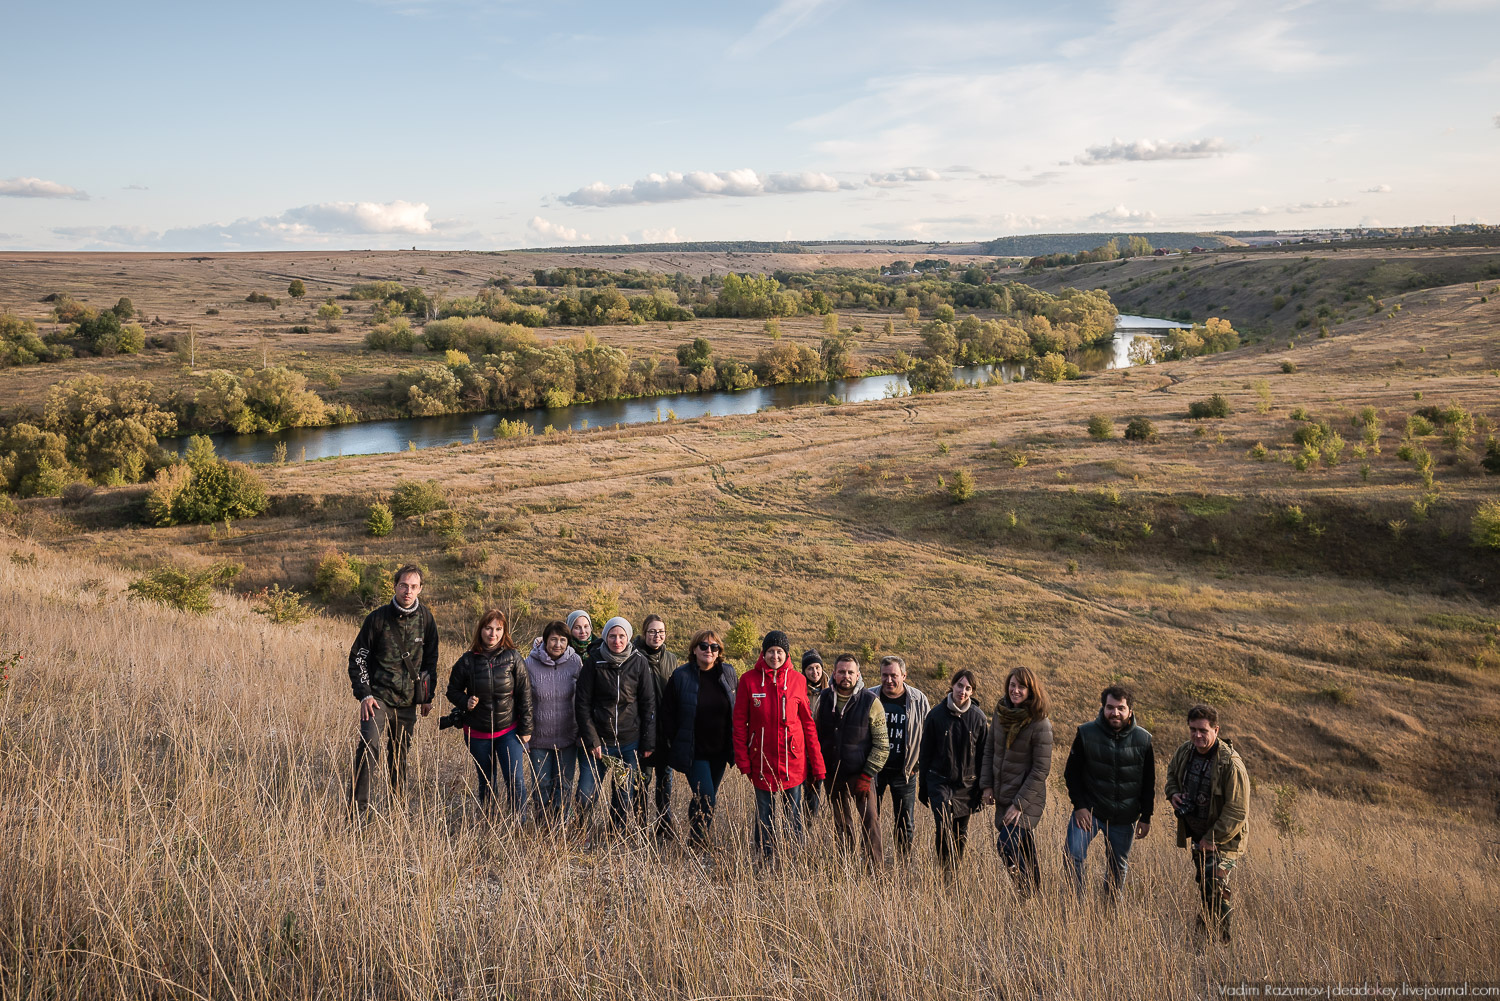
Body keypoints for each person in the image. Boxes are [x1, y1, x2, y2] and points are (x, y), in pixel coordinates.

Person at [348, 564, 438, 815]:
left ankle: (396, 809)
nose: (408, 591)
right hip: (378, 697)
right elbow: (358, 658)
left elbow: (430, 661)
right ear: (395, 586)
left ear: (420, 589)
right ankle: (358, 814)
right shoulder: (377, 619)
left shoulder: (427, 619)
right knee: (369, 747)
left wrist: (427, 697)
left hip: (408, 700)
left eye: (413, 586)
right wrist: (364, 693)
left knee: (399, 755)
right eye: (403, 585)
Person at [733, 630, 824, 864]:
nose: (775, 656)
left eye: (780, 652)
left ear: (787, 654)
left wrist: (817, 763)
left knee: (793, 815)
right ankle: (764, 858)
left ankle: (794, 859)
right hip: (761, 761)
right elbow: (739, 723)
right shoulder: (748, 680)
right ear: (763, 653)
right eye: (771, 651)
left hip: (792, 762)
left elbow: (807, 724)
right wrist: (743, 760)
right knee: (765, 815)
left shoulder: (798, 680)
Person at [1164, 704, 1250, 945]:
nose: (1197, 736)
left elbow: (1237, 810)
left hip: (1225, 838)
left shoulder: (1230, 764)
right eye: (1192, 730)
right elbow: (1171, 775)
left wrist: (1211, 839)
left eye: (1203, 730)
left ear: (1216, 730)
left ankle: (1222, 941)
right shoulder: (1185, 752)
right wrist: (1173, 794)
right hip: (1198, 834)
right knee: (1205, 883)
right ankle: (1204, 930)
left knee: (1214, 880)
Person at [1062, 685, 1155, 899]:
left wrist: (1146, 816)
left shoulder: (1143, 740)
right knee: (1072, 855)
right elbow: (1071, 773)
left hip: (1124, 816)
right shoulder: (1086, 733)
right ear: (1103, 708)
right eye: (1110, 707)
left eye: (1121, 708)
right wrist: (1080, 806)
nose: (1115, 713)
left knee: (1117, 866)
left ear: (1130, 711)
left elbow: (1148, 782)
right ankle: (1076, 904)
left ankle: (1110, 912)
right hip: (1090, 811)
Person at [444, 609, 533, 817]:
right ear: (480, 630)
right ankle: (489, 821)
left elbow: (525, 694)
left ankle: (518, 824)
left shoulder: (513, 658)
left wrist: (526, 728)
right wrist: (465, 701)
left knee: (515, 780)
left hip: (508, 731)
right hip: (478, 734)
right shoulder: (467, 661)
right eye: (488, 628)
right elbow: (452, 691)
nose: (493, 633)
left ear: (504, 632)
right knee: (487, 781)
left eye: (498, 629)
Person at [575, 617, 656, 832]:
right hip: (599, 742)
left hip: (629, 743)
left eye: (621, 636)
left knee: (623, 795)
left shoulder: (638, 662)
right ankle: (580, 831)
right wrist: (593, 740)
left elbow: (648, 703)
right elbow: (582, 704)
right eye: (612, 636)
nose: (617, 640)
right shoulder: (594, 661)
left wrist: (647, 741)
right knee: (586, 793)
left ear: (628, 636)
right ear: (605, 637)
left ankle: (615, 833)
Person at [660, 629, 738, 848]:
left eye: (714, 647)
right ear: (694, 649)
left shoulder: (728, 673)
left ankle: (694, 837)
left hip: (720, 751)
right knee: (707, 798)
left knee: (703, 797)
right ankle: (699, 842)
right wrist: (675, 739)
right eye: (703, 646)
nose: (709, 651)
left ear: (719, 651)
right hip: (694, 752)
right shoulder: (681, 675)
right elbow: (668, 712)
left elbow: (737, 708)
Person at [979, 666, 1053, 892]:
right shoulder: (1001, 712)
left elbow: (1041, 770)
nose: (1016, 690)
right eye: (1012, 685)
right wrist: (987, 785)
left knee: (1005, 846)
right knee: (1024, 846)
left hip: (1026, 799)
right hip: (1003, 794)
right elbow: (990, 749)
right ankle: (1036, 892)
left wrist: (1019, 804)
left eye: (1021, 686)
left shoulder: (1040, 723)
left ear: (1031, 691)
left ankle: (1025, 891)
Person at [814, 654, 888, 869]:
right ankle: (845, 869)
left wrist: (867, 775)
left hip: (861, 773)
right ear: (834, 674)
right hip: (833, 773)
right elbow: (816, 736)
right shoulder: (824, 698)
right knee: (841, 824)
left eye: (850, 672)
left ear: (858, 675)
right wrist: (816, 769)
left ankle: (876, 872)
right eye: (841, 672)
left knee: (870, 821)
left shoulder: (871, 702)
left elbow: (882, 745)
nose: (845, 676)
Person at [918, 670, 990, 870]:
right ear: (952, 685)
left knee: (961, 830)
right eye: (960, 686)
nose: (963, 691)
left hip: (967, 784)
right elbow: (925, 753)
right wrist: (923, 785)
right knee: (943, 826)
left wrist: (983, 787)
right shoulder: (936, 715)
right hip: (939, 781)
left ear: (972, 691)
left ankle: (955, 869)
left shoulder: (979, 718)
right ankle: (944, 870)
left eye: (968, 688)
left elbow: (985, 755)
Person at [525, 620, 590, 825]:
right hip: (538, 738)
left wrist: (581, 732)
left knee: (563, 784)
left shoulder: (575, 662)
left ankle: (560, 823)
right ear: (545, 640)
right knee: (542, 783)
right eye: (553, 639)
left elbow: (582, 699)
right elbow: (523, 700)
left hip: (567, 736)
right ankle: (542, 823)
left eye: (563, 640)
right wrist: (525, 733)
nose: (558, 644)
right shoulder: (530, 663)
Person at [870, 655, 930, 859]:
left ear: (904, 676)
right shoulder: (869, 696)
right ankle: (871, 860)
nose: (888, 680)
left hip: (904, 772)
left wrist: (917, 765)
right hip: (873, 772)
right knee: (870, 818)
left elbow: (928, 735)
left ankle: (902, 862)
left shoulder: (918, 699)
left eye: (893, 675)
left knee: (905, 822)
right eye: (884, 675)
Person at [634, 614, 679, 841]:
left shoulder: (671, 659)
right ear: (644, 633)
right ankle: (640, 826)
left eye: (661, 632)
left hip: (665, 731)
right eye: (652, 631)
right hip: (641, 730)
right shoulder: (633, 655)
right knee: (641, 780)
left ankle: (664, 825)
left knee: (665, 781)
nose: (657, 636)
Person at [801, 649, 828, 818]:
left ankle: (814, 820)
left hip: (825, 748)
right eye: (810, 668)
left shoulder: (830, 691)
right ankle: (805, 823)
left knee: (820, 789)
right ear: (804, 671)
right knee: (807, 790)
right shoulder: (799, 690)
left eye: (817, 667)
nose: (815, 672)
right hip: (805, 749)